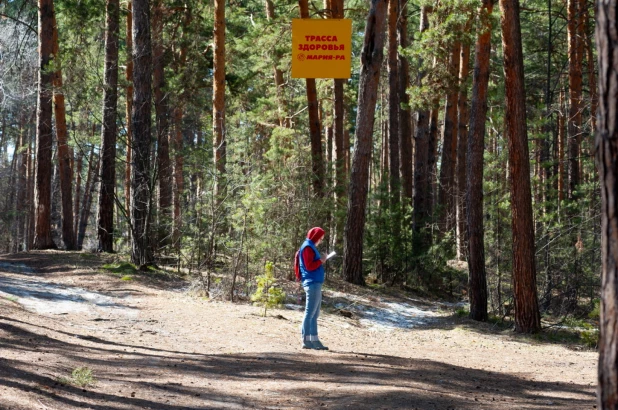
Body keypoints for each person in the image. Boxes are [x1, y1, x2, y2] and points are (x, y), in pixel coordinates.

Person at [297, 227, 328, 350]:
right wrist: (321, 260)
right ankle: (306, 340)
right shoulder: (307, 247)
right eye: (320, 238)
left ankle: (314, 340)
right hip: (312, 283)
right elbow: (309, 266)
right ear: (315, 237)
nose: (321, 240)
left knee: (315, 314)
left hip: (315, 283)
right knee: (310, 313)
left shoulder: (309, 246)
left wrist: (321, 260)